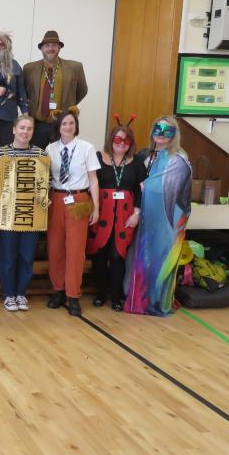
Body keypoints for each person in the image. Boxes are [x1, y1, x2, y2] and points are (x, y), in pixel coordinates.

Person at [124, 116, 191, 316]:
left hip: (165, 222)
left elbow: (172, 189)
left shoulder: (178, 159)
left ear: (174, 134)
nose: (161, 134)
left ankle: (155, 302)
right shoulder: (145, 154)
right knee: (137, 257)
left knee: (159, 261)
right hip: (143, 217)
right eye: (157, 128)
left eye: (166, 130)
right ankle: (135, 298)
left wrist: (147, 185)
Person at [0, 115, 49, 312]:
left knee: (27, 256)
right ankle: (8, 294)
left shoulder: (41, 154)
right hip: (7, 215)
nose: (25, 132)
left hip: (32, 215)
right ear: (14, 129)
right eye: (22, 127)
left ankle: (21, 293)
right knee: (7, 256)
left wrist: (45, 198)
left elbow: (47, 183)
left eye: (29, 128)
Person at [45, 110, 100, 317]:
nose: (67, 127)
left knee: (76, 250)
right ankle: (58, 290)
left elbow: (93, 179)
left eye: (71, 123)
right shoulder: (50, 149)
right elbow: (44, 177)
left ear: (76, 126)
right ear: (58, 127)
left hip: (79, 199)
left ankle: (73, 294)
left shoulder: (87, 148)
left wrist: (96, 206)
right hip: (57, 198)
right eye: (64, 124)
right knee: (55, 247)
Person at [86, 118, 144, 311]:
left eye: (126, 141)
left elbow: (142, 190)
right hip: (101, 213)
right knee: (99, 254)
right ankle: (101, 293)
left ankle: (116, 296)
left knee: (118, 255)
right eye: (117, 140)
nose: (121, 144)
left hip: (125, 216)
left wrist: (136, 213)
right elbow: (89, 182)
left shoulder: (137, 162)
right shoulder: (97, 157)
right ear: (111, 140)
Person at [23, 30, 88, 149]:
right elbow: (25, 92)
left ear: (59, 48)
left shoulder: (75, 67)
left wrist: (69, 103)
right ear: (41, 48)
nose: (50, 48)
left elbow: (82, 90)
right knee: (37, 156)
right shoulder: (29, 68)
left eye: (54, 45)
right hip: (38, 124)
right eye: (47, 46)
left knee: (61, 156)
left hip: (62, 123)